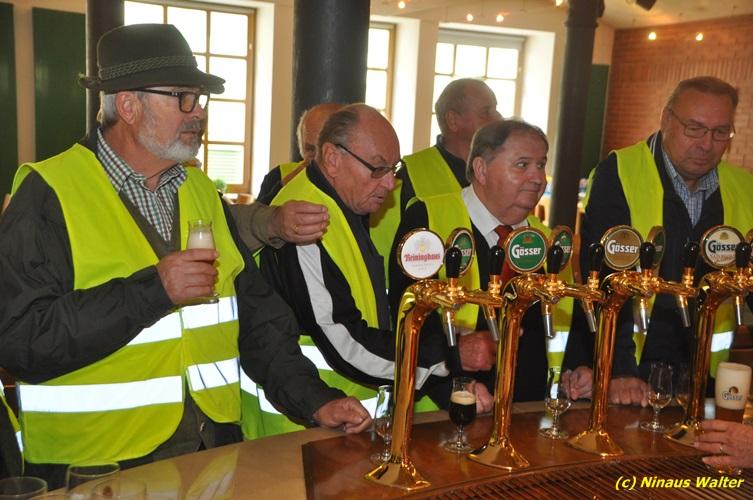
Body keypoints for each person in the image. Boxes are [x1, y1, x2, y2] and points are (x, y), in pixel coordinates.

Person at [0, 23, 370, 489]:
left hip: (210, 454)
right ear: (128, 106)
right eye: (182, 98)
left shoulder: (199, 189)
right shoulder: (49, 192)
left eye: (200, 99)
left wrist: (315, 399)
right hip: (95, 469)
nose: (199, 113)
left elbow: (258, 320)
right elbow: (21, 340)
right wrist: (154, 290)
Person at [256, 104, 495, 437]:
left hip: (349, 415)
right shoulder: (304, 219)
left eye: (393, 169)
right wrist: (450, 355)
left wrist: (446, 373)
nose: (390, 184)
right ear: (332, 158)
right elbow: (344, 341)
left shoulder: (343, 205)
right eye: (378, 169)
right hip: (302, 425)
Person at [389, 119, 593, 405]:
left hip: (528, 411)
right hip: (443, 407)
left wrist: (579, 369)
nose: (538, 178)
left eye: (541, 164)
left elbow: (568, 321)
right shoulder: (428, 219)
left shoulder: (547, 241)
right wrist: (454, 386)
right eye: (522, 165)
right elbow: (407, 318)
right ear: (481, 169)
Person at [580, 76, 753, 406]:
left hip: (705, 377)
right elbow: (604, 281)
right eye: (694, 128)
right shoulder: (618, 172)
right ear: (666, 119)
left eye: (720, 132)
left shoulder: (744, 188)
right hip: (632, 374)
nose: (706, 144)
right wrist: (618, 369)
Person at [370, 78, 501, 276]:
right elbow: (385, 245)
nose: (498, 118)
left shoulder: (498, 172)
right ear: (453, 120)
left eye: (496, 110)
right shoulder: (408, 175)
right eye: (486, 112)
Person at [256, 103, 343, 204]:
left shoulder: (357, 184)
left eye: (329, 151)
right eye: (311, 150)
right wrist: (284, 187)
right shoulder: (279, 176)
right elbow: (257, 212)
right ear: (301, 148)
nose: (318, 159)